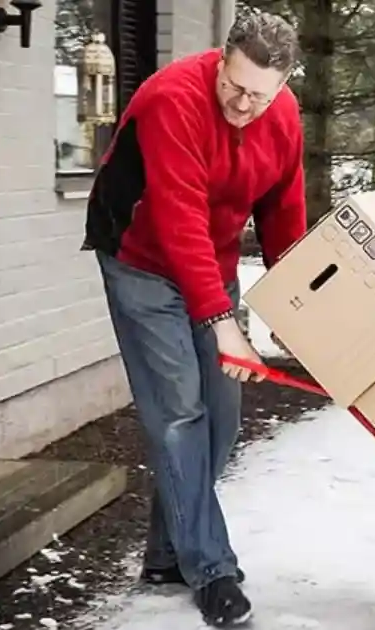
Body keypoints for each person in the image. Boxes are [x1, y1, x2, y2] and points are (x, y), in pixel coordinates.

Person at [80, 9, 306, 628]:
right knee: (180, 412)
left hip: (215, 260)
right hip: (140, 259)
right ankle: (213, 570)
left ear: (283, 86)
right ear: (221, 59)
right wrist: (224, 324)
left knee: (222, 420)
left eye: (259, 95)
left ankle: (163, 554)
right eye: (233, 86)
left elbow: (284, 209)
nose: (242, 104)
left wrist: (293, 307)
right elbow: (178, 223)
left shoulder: (281, 117)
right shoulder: (172, 99)